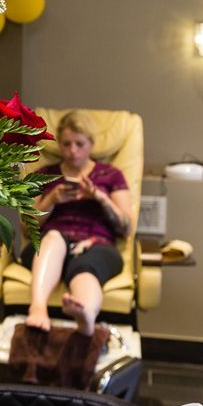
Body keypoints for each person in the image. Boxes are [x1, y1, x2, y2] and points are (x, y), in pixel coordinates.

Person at [23, 111, 132, 336]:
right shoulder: (45, 175)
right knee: (53, 238)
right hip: (51, 245)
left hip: (97, 244)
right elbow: (26, 228)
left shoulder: (111, 175)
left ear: (91, 143)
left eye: (79, 144)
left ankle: (86, 316)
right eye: (66, 144)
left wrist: (101, 198)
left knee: (86, 268)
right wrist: (50, 200)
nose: (73, 151)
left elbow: (126, 227)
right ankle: (38, 307)